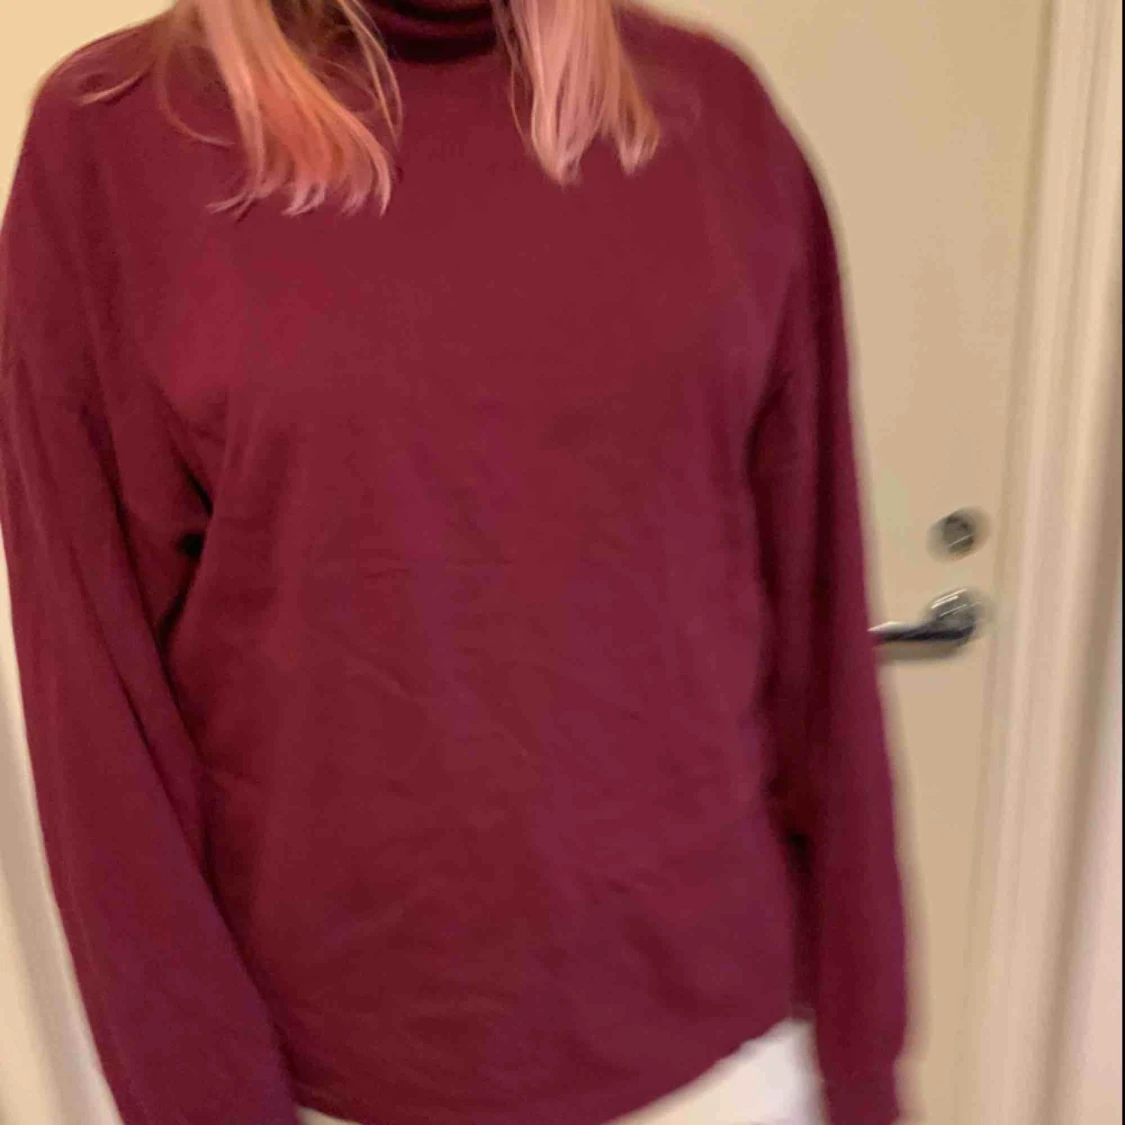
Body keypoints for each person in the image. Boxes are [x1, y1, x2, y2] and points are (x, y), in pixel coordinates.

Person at [0, 0, 907, 1123]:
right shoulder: (118, 141)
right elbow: (101, 714)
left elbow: (819, 622)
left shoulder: (710, 114)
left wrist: (863, 1060)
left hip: (736, 1058)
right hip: (351, 1079)